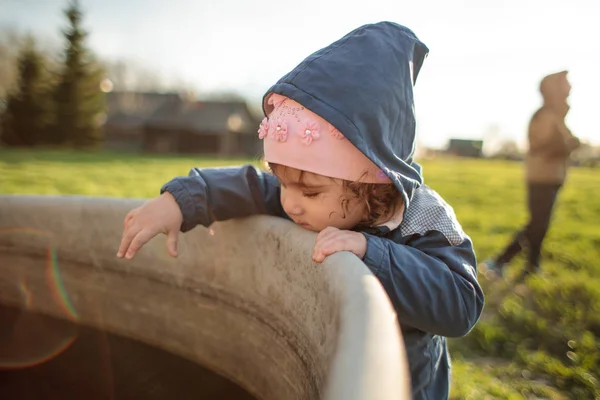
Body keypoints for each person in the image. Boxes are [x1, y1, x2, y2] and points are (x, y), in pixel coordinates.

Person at [117, 22, 484, 400]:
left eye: (309, 190)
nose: (289, 201)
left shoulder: (422, 220)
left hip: (402, 385)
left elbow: (462, 303)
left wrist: (370, 252)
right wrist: (181, 200)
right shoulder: (299, 197)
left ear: (374, 184)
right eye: (282, 181)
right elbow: (248, 185)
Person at [481, 71, 580, 281]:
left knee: (540, 224)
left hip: (552, 176)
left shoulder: (555, 115)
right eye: (566, 85)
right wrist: (568, 144)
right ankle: (499, 262)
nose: (570, 88)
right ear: (555, 90)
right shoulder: (545, 115)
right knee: (537, 224)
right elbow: (542, 145)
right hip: (541, 177)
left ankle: (531, 265)